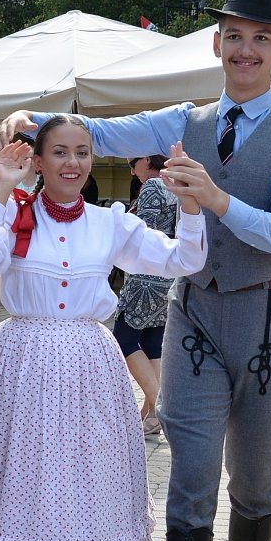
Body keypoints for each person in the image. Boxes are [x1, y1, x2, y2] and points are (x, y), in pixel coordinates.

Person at [0, 0, 271, 541]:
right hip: (197, 317)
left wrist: (215, 199)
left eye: (259, 39)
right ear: (218, 44)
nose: (245, 50)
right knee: (188, 480)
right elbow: (100, 136)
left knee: (255, 476)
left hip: (268, 317)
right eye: (233, 36)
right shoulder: (185, 119)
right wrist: (38, 118)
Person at [0, 118, 209, 541]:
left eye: (82, 152)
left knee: (69, 490)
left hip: (88, 370)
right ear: (39, 161)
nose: (71, 163)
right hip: (23, 364)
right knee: (26, 492)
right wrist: (2, 186)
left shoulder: (110, 223)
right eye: (59, 153)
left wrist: (192, 206)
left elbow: (182, 262)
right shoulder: (17, 212)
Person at [112, 154, 176, 435]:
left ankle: (159, 407)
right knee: (152, 341)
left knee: (123, 338)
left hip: (145, 276)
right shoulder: (173, 184)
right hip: (168, 274)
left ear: (147, 159)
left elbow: (143, 230)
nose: (131, 170)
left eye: (132, 163)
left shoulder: (152, 186)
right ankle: (152, 413)